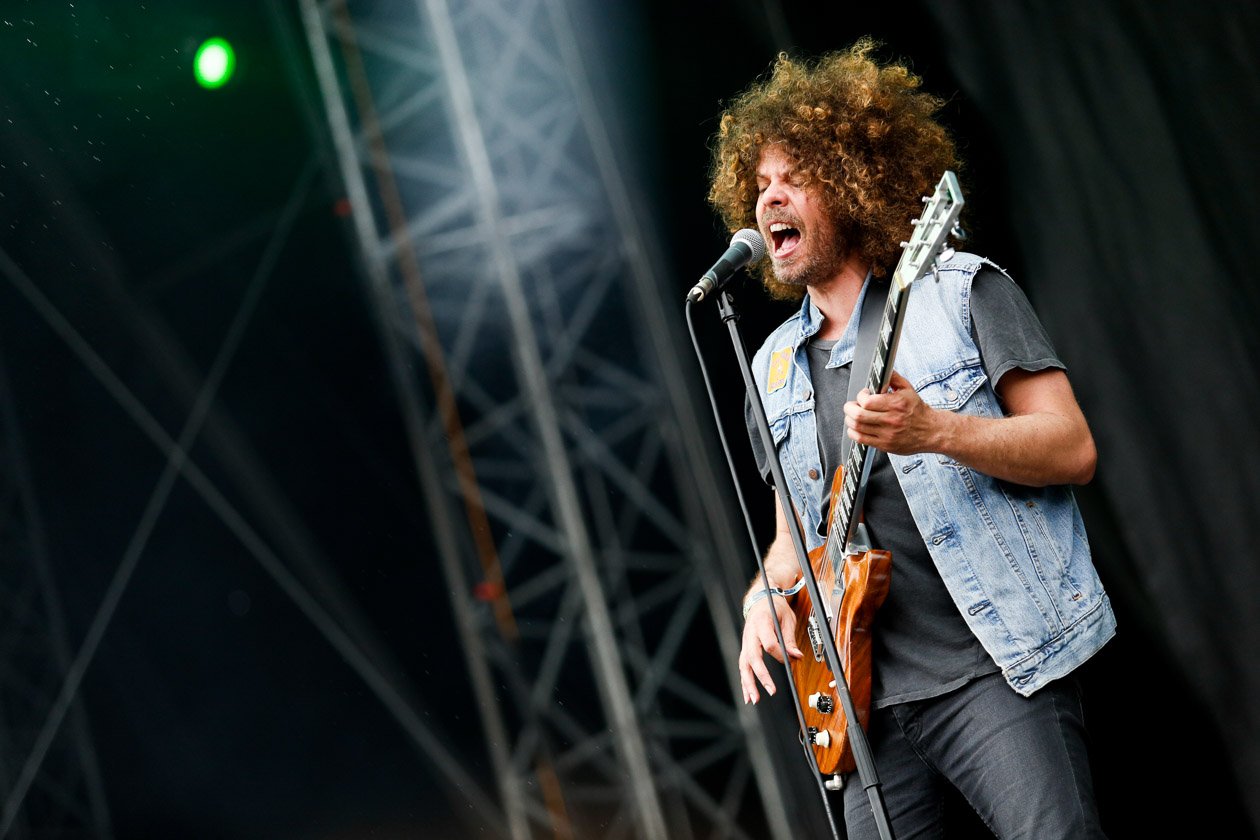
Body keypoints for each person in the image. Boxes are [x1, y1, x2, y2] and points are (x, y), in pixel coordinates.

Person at [706, 41, 1115, 838]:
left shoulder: (960, 291)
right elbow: (799, 535)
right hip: (861, 708)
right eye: (760, 186)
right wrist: (762, 595)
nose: (771, 200)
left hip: (992, 671)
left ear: (856, 181)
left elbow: (1071, 447)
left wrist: (937, 430)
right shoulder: (772, 366)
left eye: (795, 178)